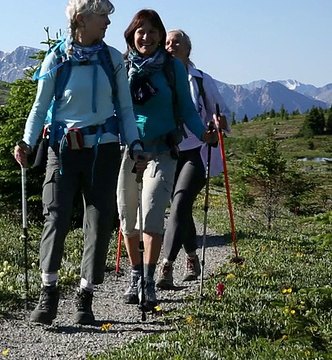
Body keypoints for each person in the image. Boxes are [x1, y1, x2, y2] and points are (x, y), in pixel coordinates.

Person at [14, 0, 143, 326]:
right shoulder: (56, 58)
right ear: (83, 19)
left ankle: (85, 295)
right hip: (62, 150)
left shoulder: (113, 59)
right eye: (104, 17)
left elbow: (125, 109)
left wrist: (136, 145)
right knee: (55, 216)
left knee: (99, 223)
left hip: (105, 149)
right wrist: (27, 143)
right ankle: (49, 290)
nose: (108, 24)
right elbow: (40, 106)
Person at [116, 9, 218, 310]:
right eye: (140, 31)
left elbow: (187, 110)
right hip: (129, 152)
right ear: (132, 35)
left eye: (151, 31)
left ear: (160, 36)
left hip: (162, 151)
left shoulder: (172, 68)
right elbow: (113, 109)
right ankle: (135, 274)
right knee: (127, 219)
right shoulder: (121, 68)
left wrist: (204, 135)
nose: (146, 37)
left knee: (150, 213)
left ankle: (148, 280)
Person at [156, 29, 230, 289]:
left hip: (196, 151)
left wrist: (219, 122)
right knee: (181, 207)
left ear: (188, 49)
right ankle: (191, 258)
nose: (170, 45)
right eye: (167, 42)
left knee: (179, 203)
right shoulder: (158, 77)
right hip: (167, 151)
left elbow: (220, 111)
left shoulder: (200, 80)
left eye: (176, 41)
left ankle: (165, 265)